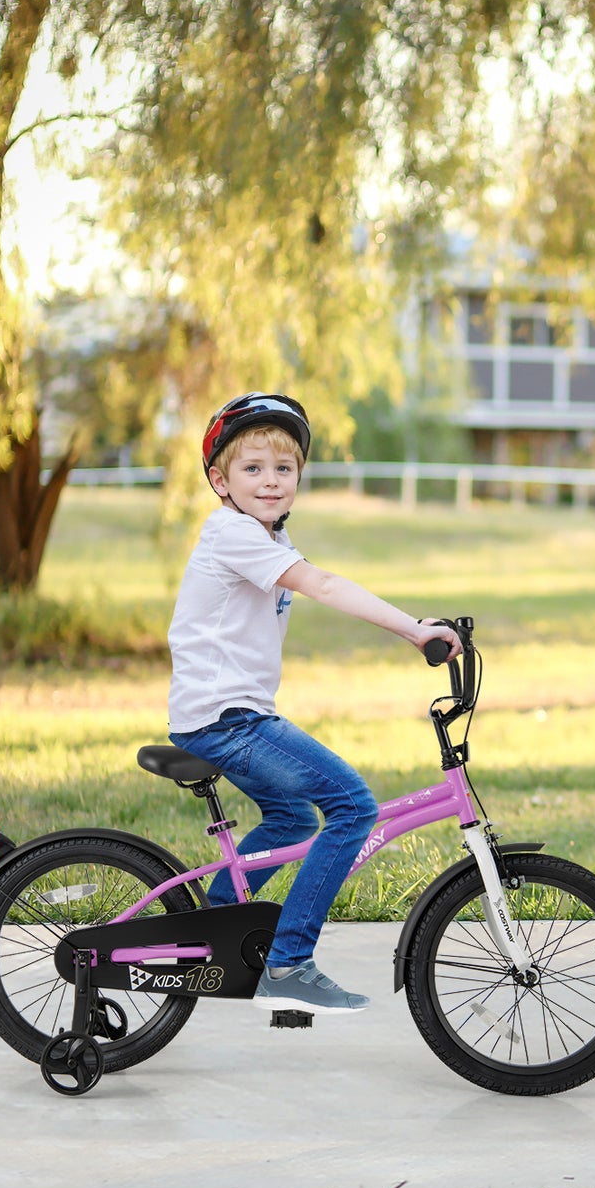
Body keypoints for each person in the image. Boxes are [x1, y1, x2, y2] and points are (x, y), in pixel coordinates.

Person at [165, 392, 461, 1014]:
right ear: (219, 481)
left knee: (296, 820)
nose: (270, 481)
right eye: (252, 469)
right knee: (353, 807)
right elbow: (322, 584)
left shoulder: (265, 533)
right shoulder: (232, 533)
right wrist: (412, 629)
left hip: (229, 715)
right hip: (227, 720)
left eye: (283, 469)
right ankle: (289, 961)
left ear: (299, 476)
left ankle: (217, 926)